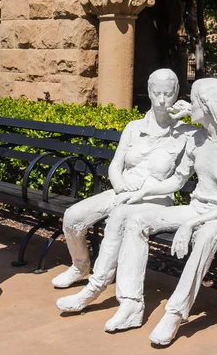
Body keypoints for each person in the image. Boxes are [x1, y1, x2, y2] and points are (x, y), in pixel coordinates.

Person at [112, 77, 217, 345]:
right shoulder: (198, 139)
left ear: (207, 106)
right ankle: (130, 303)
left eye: (193, 100)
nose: (187, 103)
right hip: (197, 208)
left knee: (208, 232)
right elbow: (178, 180)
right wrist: (143, 193)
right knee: (137, 219)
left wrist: (191, 224)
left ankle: (175, 313)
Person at [54, 69, 197, 331]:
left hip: (155, 199)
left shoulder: (187, 133)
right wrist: (120, 185)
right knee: (73, 216)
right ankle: (80, 266)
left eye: (169, 93)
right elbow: (115, 165)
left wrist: (193, 113)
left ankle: (98, 288)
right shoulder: (134, 127)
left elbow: (181, 177)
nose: (163, 99)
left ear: (177, 93)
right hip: (123, 190)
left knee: (121, 218)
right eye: (157, 93)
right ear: (149, 91)